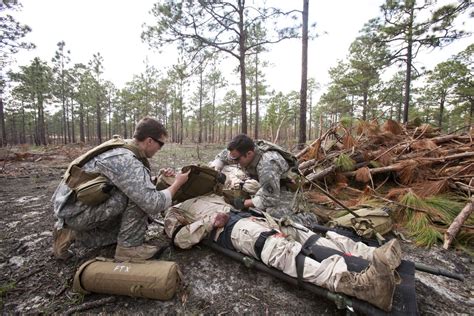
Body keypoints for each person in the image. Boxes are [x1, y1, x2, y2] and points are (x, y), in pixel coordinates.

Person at [164, 195, 401, 312]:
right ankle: (363, 287)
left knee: (304, 233)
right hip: (234, 230)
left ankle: (372, 255)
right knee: (280, 250)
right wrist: (208, 223)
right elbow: (179, 239)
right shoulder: (174, 209)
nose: (173, 174)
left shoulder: (210, 193)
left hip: (254, 218)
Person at [52, 117, 190, 261]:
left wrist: (157, 179)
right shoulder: (126, 160)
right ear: (149, 141)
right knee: (140, 200)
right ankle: (129, 248)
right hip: (76, 212)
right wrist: (177, 184)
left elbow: (123, 181)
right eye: (160, 144)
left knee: (132, 220)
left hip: (73, 207)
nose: (159, 149)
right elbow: (153, 203)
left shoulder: (123, 148)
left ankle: (71, 233)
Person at [209, 134, 296, 214]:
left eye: (237, 160)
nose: (234, 161)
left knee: (271, 212)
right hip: (266, 182)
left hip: (285, 187)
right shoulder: (241, 152)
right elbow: (223, 156)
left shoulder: (268, 165)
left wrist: (243, 203)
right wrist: (215, 170)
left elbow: (269, 199)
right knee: (226, 168)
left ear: (249, 154)